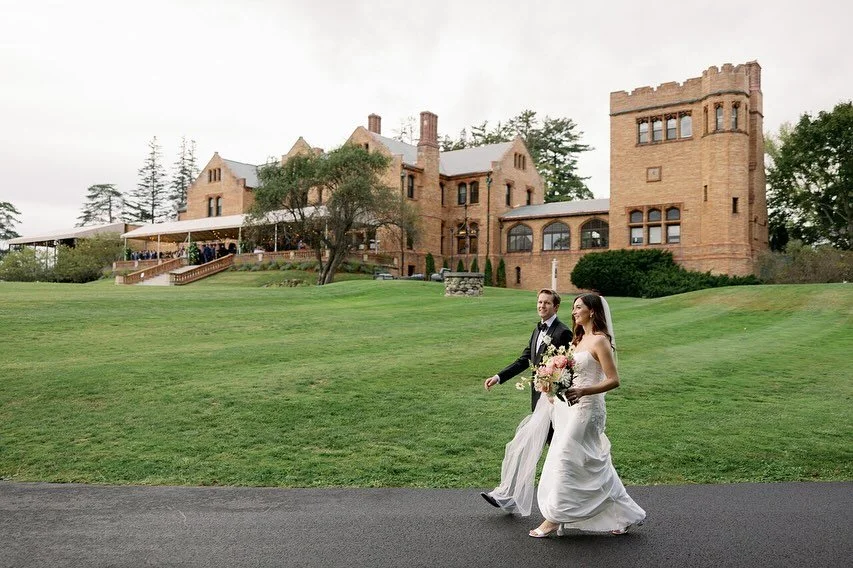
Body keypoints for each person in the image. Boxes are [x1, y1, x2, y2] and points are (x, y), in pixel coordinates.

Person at [528, 293, 646, 537]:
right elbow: (570, 374)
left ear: (592, 311)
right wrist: (552, 384)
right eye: (573, 308)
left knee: (565, 456)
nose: (574, 312)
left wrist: (583, 390)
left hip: (589, 408)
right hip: (568, 409)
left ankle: (553, 518)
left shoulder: (600, 341)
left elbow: (614, 380)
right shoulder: (577, 340)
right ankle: (624, 513)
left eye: (578, 307)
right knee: (592, 462)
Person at [480, 288, 572, 513]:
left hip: (554, 404)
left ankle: (568, 499)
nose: (542, 306)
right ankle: (508, 495)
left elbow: (570, 369)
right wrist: (498, 377)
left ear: (556, 307)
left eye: (547, 303)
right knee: (528, 447)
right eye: (539, 302)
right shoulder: (537, 330)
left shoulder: (563, 332)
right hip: (540, 403)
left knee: (548, 451)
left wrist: (554, 391)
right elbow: (524, 360)